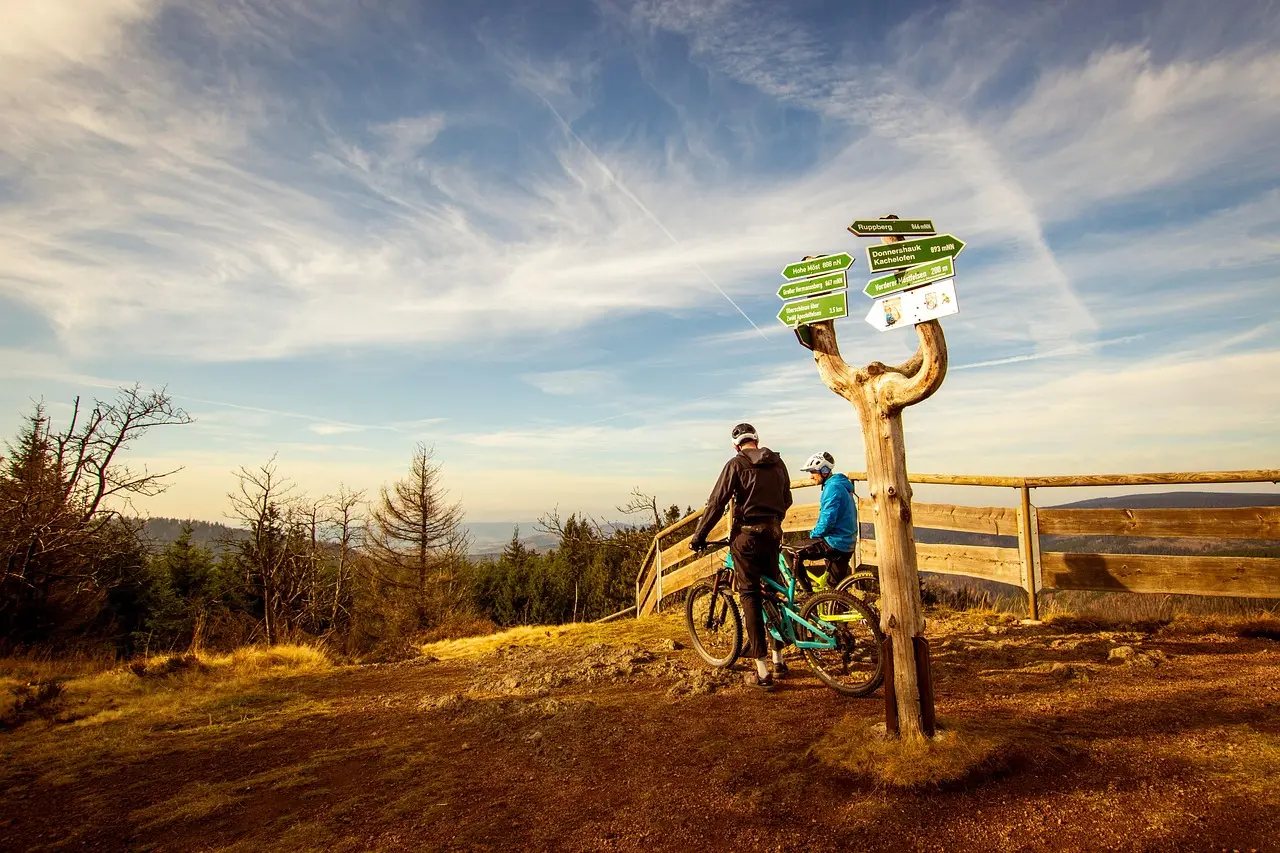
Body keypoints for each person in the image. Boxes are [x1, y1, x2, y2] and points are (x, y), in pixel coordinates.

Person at [690, 423, 793, 690]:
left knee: (750, 596)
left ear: (736, 445)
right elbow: (787, 499)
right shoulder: (778, 463)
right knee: (773, 592)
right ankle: (778, 659)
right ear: (757, 441)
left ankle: (762, 671)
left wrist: (698, 536)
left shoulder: (736, 465)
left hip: (747, 538)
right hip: (773, 534)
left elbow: (716, 503)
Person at [789, 452, 856, 592]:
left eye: (813, 471)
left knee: (788, 552)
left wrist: (813, 535)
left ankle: (808, 595)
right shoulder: (841, 485)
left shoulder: (832, 488)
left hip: (834, 542)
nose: (811, 476)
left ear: (824, 471)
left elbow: (827, 521)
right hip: (846, 543)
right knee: (835, 592)